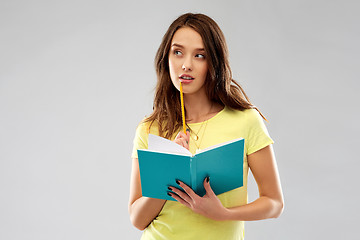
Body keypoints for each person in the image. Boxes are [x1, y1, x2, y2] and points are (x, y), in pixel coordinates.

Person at [128, 13, 284, 239]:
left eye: (200, 55)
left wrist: (223, 213)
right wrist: (169, 165)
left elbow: (274, 203)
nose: (186, 65)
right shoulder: (149, 128)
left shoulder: (246, 121)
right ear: (166, 57)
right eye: (178, 52)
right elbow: (137, 218)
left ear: (214, 62)